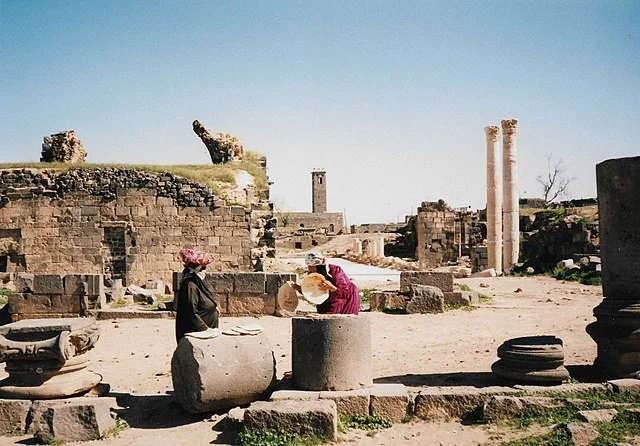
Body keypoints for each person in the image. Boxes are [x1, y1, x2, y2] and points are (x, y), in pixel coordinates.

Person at [290, 252, 360, 315]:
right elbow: (312, 291)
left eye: (311, 266)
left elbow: (345, 293)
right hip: (327, 301)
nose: (309, 268)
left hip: (345, 299)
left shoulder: (335, 271)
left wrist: (332, 288)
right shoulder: (313, 274)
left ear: (319, 266)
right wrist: (296, 287)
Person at [175, 248, 220, 342]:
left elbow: (205, 295)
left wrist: (213, 307)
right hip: (198, 335)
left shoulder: (198, 282)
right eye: (203, 268)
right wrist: (205, 330)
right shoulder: (190, 286)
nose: (205, 271)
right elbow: (191, 313)